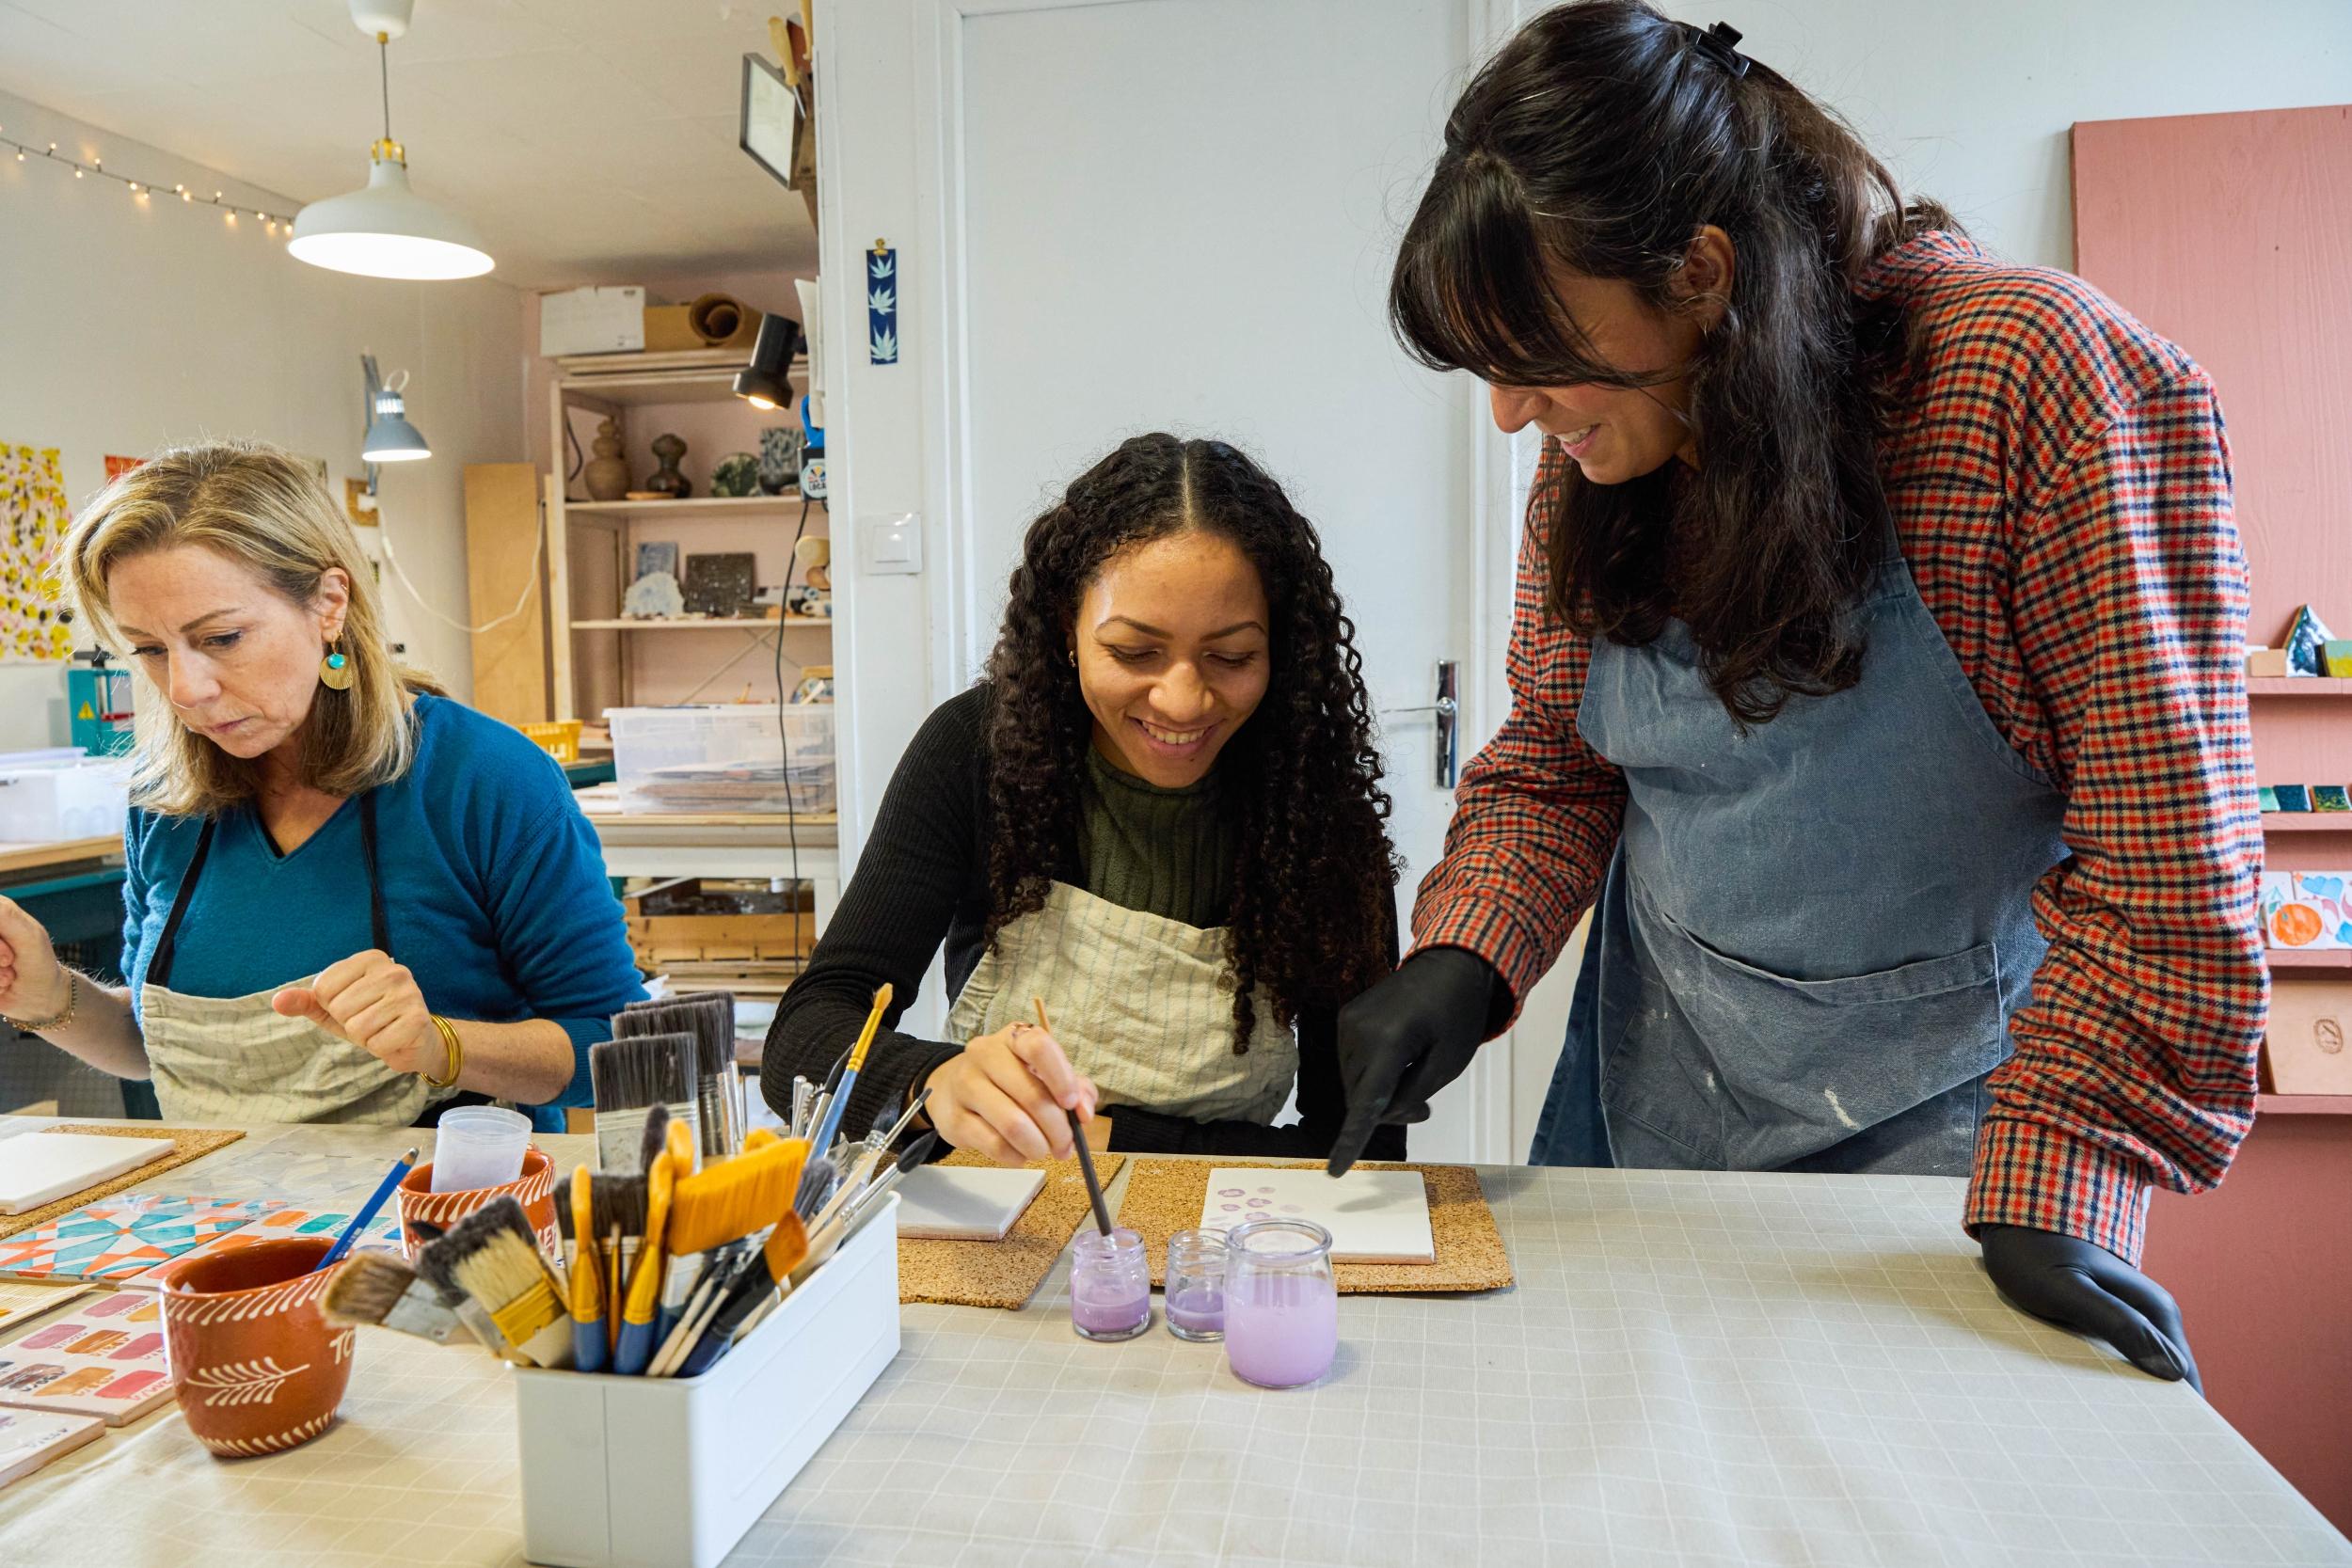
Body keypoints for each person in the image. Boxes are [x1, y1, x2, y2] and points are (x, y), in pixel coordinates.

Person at [1328, 1, 2260, 1390]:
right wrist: (1466, 951)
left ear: (1703, 274)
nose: (1515, 418)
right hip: (1646, 1083)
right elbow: (1558, 757)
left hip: (1951, 1137)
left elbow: (2176, 870)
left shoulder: (2033, 390)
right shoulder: (1610, 442)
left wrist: (2067, 1165)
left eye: (1538, 362)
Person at [763, 434, 1402, 1164]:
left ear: (1280, 649)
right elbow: (804, 1039)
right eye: (1134, 651)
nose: (1184, 699)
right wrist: (929, 1080)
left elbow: (1365, 1140)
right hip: (1000, 1214)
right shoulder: (976, 752)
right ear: (1068, 627)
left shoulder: (1313, 801)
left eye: (1231, 657)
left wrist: (1115, 1137)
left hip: (1227, 1237)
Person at [0, 441, 644, 1129]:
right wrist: (48, 994)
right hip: (228, 1216)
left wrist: (442, 1044)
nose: (185, 689)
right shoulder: (165, 801)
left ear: (329, 602)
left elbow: (617, 1048)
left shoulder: (482, 779)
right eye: (151, 650)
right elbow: (153, 1047)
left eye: (221, 638)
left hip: (446, 1216)